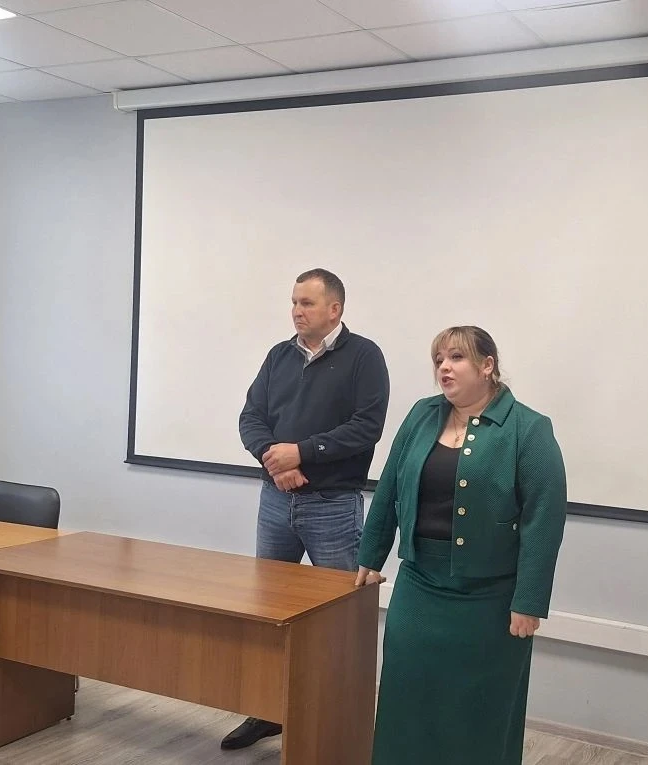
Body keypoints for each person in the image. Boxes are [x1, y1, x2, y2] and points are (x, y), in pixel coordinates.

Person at [356, 325, 566, 765]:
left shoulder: (528, 428)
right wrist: (371, 555)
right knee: (406, 701)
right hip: (419, 586)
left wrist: (529, 601)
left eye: (456, 358)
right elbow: (390, 484)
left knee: (478, 714)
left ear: (487, 366)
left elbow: (543, 520)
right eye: (439, 360)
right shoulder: (421, 414)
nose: (444, 368)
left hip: (489, 599)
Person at [229, 268, 390, 751]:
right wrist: (274, 460)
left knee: (341, 619)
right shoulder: (279, 356)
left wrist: (302, 452)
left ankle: (342, 724)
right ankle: (266, 711)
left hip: (333, 507)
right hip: (276, 501)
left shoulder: (364, 356)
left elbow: (366, 427)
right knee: (268, 612)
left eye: (307, 303)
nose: (297, 311)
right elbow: (251, 417)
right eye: (294, 302)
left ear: (334, 309)